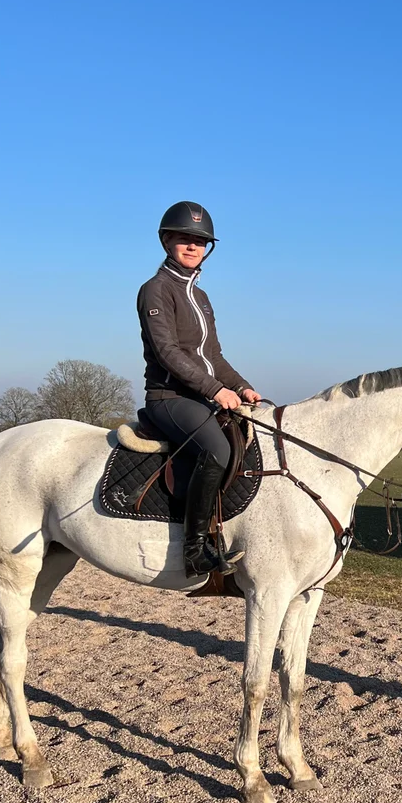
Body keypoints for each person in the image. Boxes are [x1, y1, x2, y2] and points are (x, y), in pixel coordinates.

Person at [137, 202, 262, 577]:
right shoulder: (155, 290)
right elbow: (168, 352)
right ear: (166, 242)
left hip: (200, 396)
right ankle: (194, 550)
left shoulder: (201, 297)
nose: (193, 247)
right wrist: (214, 389)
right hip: (169, 398)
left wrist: (240, 386)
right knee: (217, 448)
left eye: (200, 241)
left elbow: (213, 356)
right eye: (184, 239)